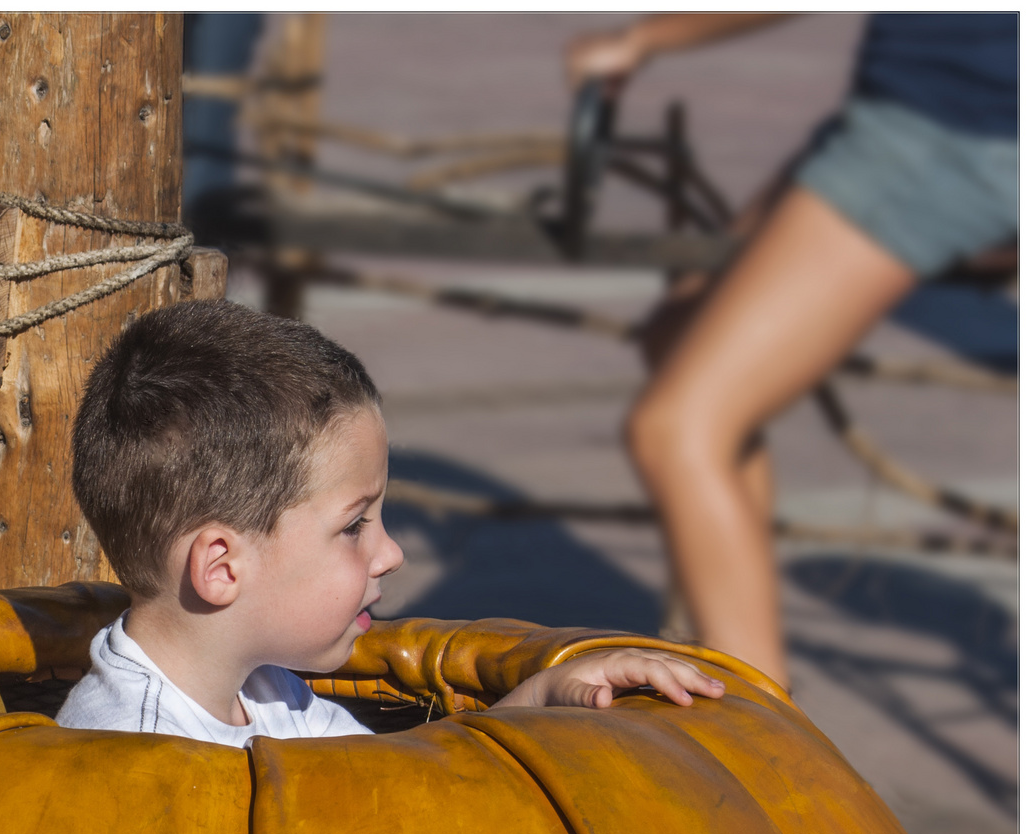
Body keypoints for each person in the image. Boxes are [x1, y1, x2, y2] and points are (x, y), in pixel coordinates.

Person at [565, 14, 1018, 690]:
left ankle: (766, 746)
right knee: (678, 334)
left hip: (950, 129)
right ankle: (724, 632)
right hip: (912, 112)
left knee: (674, 428)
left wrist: (643, 39)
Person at [56, 300, 724, 744]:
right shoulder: (128, 755)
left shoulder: (266, 691)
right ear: (222, 568)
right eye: (353, 527)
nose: (391, 554)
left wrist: (540, 695)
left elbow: (395, 787)